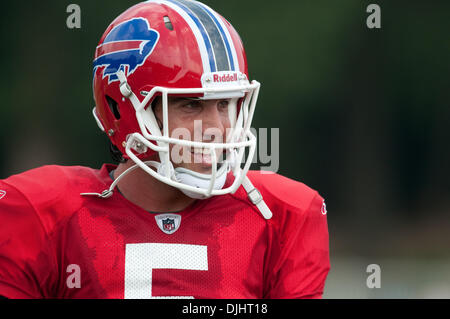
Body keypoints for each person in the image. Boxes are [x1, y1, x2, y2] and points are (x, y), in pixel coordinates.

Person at [0, 0, 330, 298]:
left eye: (226, 104)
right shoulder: (40, 215)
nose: (216, 128)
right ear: (124, 109)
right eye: (191, 105)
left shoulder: (282, 217)